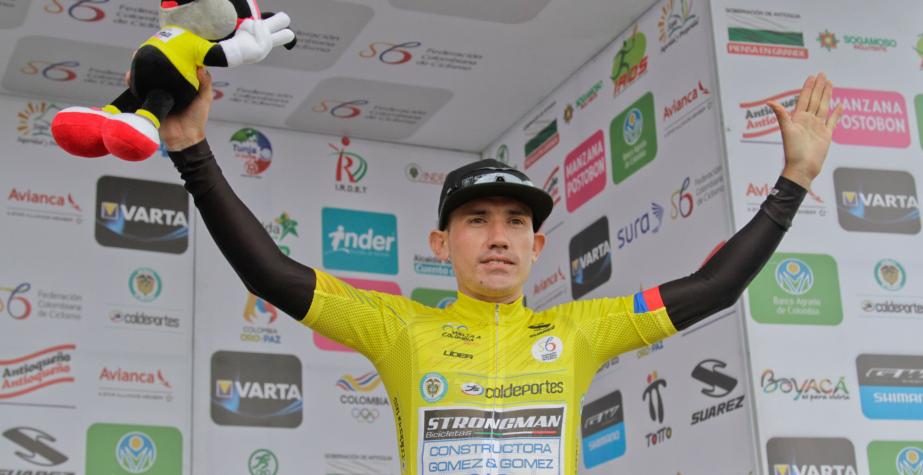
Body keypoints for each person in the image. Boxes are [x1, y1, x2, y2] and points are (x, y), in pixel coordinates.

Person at [164, 68, 842, 474]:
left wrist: (795, 179)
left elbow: (716, 288)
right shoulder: (399, 327)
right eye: (477, 220)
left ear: (537, 246)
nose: (497, 237)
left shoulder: (579, 330)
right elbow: (271, 274)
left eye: (516, 221)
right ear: (441, 242)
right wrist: (192, 151)